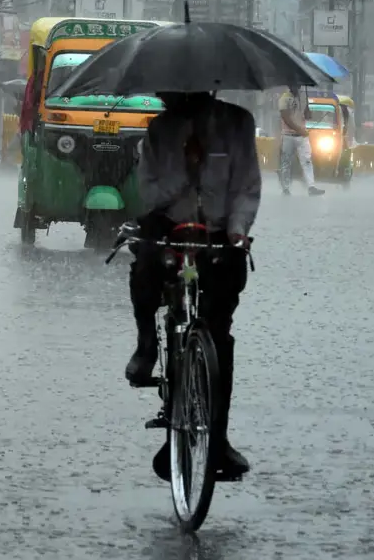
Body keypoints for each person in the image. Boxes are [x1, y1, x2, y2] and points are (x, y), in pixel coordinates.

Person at [127, 91, 261, 481]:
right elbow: (149, 193)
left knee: (219, 336)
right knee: (144, 270)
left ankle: (217, 438)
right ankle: (146, 345)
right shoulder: (158, 130)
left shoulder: (238, 124)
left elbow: (247, 187)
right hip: (169, 231)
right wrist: (187, 171)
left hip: (220, 236)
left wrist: (237, 231)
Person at [277, 87, 325, 196]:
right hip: (288, 135)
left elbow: (307, 116)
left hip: (302, 136)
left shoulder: (303, 98)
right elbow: (286, 118)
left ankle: (311, 187)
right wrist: (299, 129)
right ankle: (286, 188)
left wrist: (308, 113)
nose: (297, 86)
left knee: (307, 160)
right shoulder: (284, 99)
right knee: (286, 162)